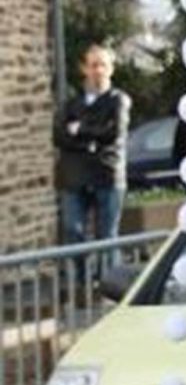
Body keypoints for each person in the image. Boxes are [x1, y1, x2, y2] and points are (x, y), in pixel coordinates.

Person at [54, 44, 132, 244]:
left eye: (103, 65)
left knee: (107, 237)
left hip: (107, 174)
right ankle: (81, 277)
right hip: (75, 176)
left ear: (111, 69)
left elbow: (113, 133)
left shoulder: (118, 101)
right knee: (73, 232)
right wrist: (93, 138)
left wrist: (80, 130)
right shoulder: (72, 105)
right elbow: (59, 136)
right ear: (85, 69)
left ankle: (108, 276)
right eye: (93, 65)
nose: (98, 70)